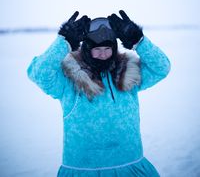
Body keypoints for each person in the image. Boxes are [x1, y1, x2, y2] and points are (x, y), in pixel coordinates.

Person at [27, 10, 171, 177]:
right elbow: (39, 73)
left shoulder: (128, 74)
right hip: (82, 170)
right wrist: (64, 42)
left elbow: (161, 68)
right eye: (96, 49)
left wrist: (139, 41)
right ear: (86, 49)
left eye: (107, 48)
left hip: (130, 167)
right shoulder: (68, 80)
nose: (103, 54)